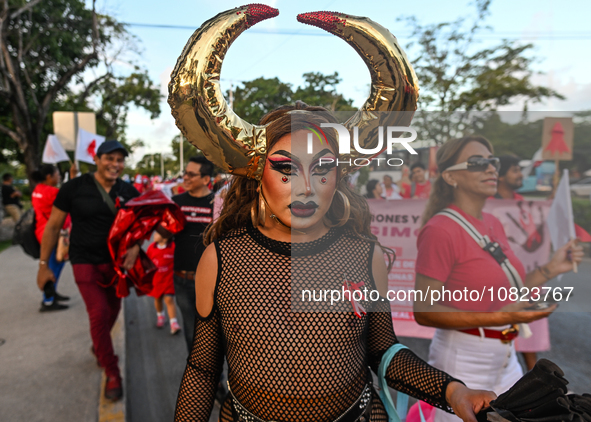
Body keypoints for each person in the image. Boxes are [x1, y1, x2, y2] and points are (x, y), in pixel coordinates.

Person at [173, 103, 497, 422]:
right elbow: (203, 369)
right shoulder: (221, 258)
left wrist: (452, 391)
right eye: (286, 168)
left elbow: (383, 350)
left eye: (322, 168)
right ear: (257, 172)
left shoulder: (364, 256)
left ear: (338, 176)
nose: (306, 188)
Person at [412, 135, 583, 422]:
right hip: (462, 360)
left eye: (492, 162)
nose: (492, 168)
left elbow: (506, 288)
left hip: (505, 354)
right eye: (480, 163)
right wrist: (498, 316)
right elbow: (424, 311)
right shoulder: (440, 230)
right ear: (451, 176)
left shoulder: (492, 222)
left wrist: (551, 268)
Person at [36, 140, 140, 402]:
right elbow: (52, 226)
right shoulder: (74, 188)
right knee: (99, 313)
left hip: (116, 264)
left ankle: (99, 346)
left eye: (120, 160)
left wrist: (136, 247)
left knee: (113, 312)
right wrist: (43, 265)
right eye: (110, 159)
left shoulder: (129, 190)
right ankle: (112, 371)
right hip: (84, 261)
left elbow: (141, 224)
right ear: (96, 158)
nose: (115, 165)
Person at [490, 155, 543, 371]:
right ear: (500, 177)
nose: (521, 174)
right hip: (495, 278)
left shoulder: (525, 204)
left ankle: (535, 383)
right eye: (515, 170)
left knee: (528, 332)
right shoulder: (486, 204)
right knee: (500, 331)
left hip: (523, 276)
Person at [171, 156, 214, 351]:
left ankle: (217, 379)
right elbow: (163, 234)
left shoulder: (218, 204)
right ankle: (200, 379)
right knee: (191, 333)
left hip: (211, 282)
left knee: (213, 333)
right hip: (182, 279)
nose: (185, 178)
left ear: (206, 179)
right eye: (184, 174)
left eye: (190, 174)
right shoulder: (175, 202)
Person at [31, 164, 71, 312]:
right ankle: (48, 300)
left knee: (54, 264)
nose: (59, 176)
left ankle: (52, 293)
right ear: (49, 176)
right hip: (52, 234)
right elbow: (70, 200)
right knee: (53, 266)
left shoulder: (38, 190)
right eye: (57, 174)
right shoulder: (52, 193)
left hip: (41, 231)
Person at [146, 232, 181, 335]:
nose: (154, 235)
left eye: (157, 234)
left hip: (168, 280)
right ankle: (160, 315)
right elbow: (147, 262)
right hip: (156, 280)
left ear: (165, 238)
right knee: (157, 299)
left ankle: (173, 323)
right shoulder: (151, 248)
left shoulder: (173, 247)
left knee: (169, 299)